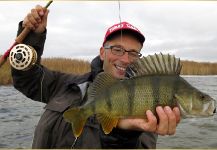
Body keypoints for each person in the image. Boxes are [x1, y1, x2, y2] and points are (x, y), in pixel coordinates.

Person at [11, 5, 181, 148]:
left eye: (133, 53)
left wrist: (122, 134)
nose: (125, 59)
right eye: (117, 49)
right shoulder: (65, 84)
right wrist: (32, 38)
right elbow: (27, 80)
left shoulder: (146, 108)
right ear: (102, 53)